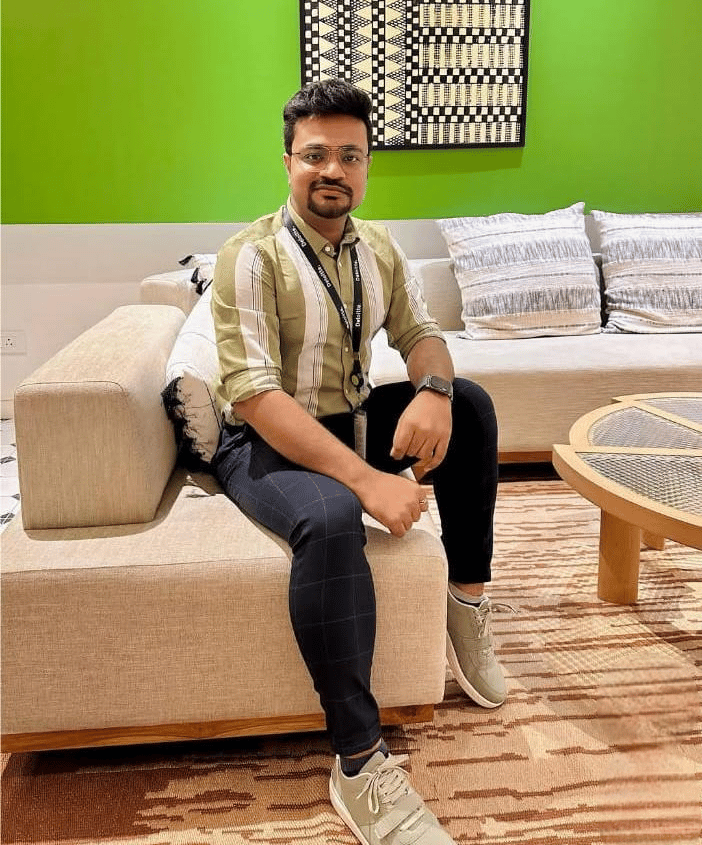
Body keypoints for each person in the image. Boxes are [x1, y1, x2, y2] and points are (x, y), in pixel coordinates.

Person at [211, 78, 504, 845]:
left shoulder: (379, 248)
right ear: (288, 162)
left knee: (471, 407)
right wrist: (367, 478)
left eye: (350, 155)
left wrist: (433, 389)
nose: (333, 170)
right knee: (333, 513)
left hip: (351, 416)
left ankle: (466, 604)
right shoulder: (251, 257)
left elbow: (423, 334)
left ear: (367, 165)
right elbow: (253, 396)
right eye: (316, 155)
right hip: (263, 437)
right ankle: (358, 761)